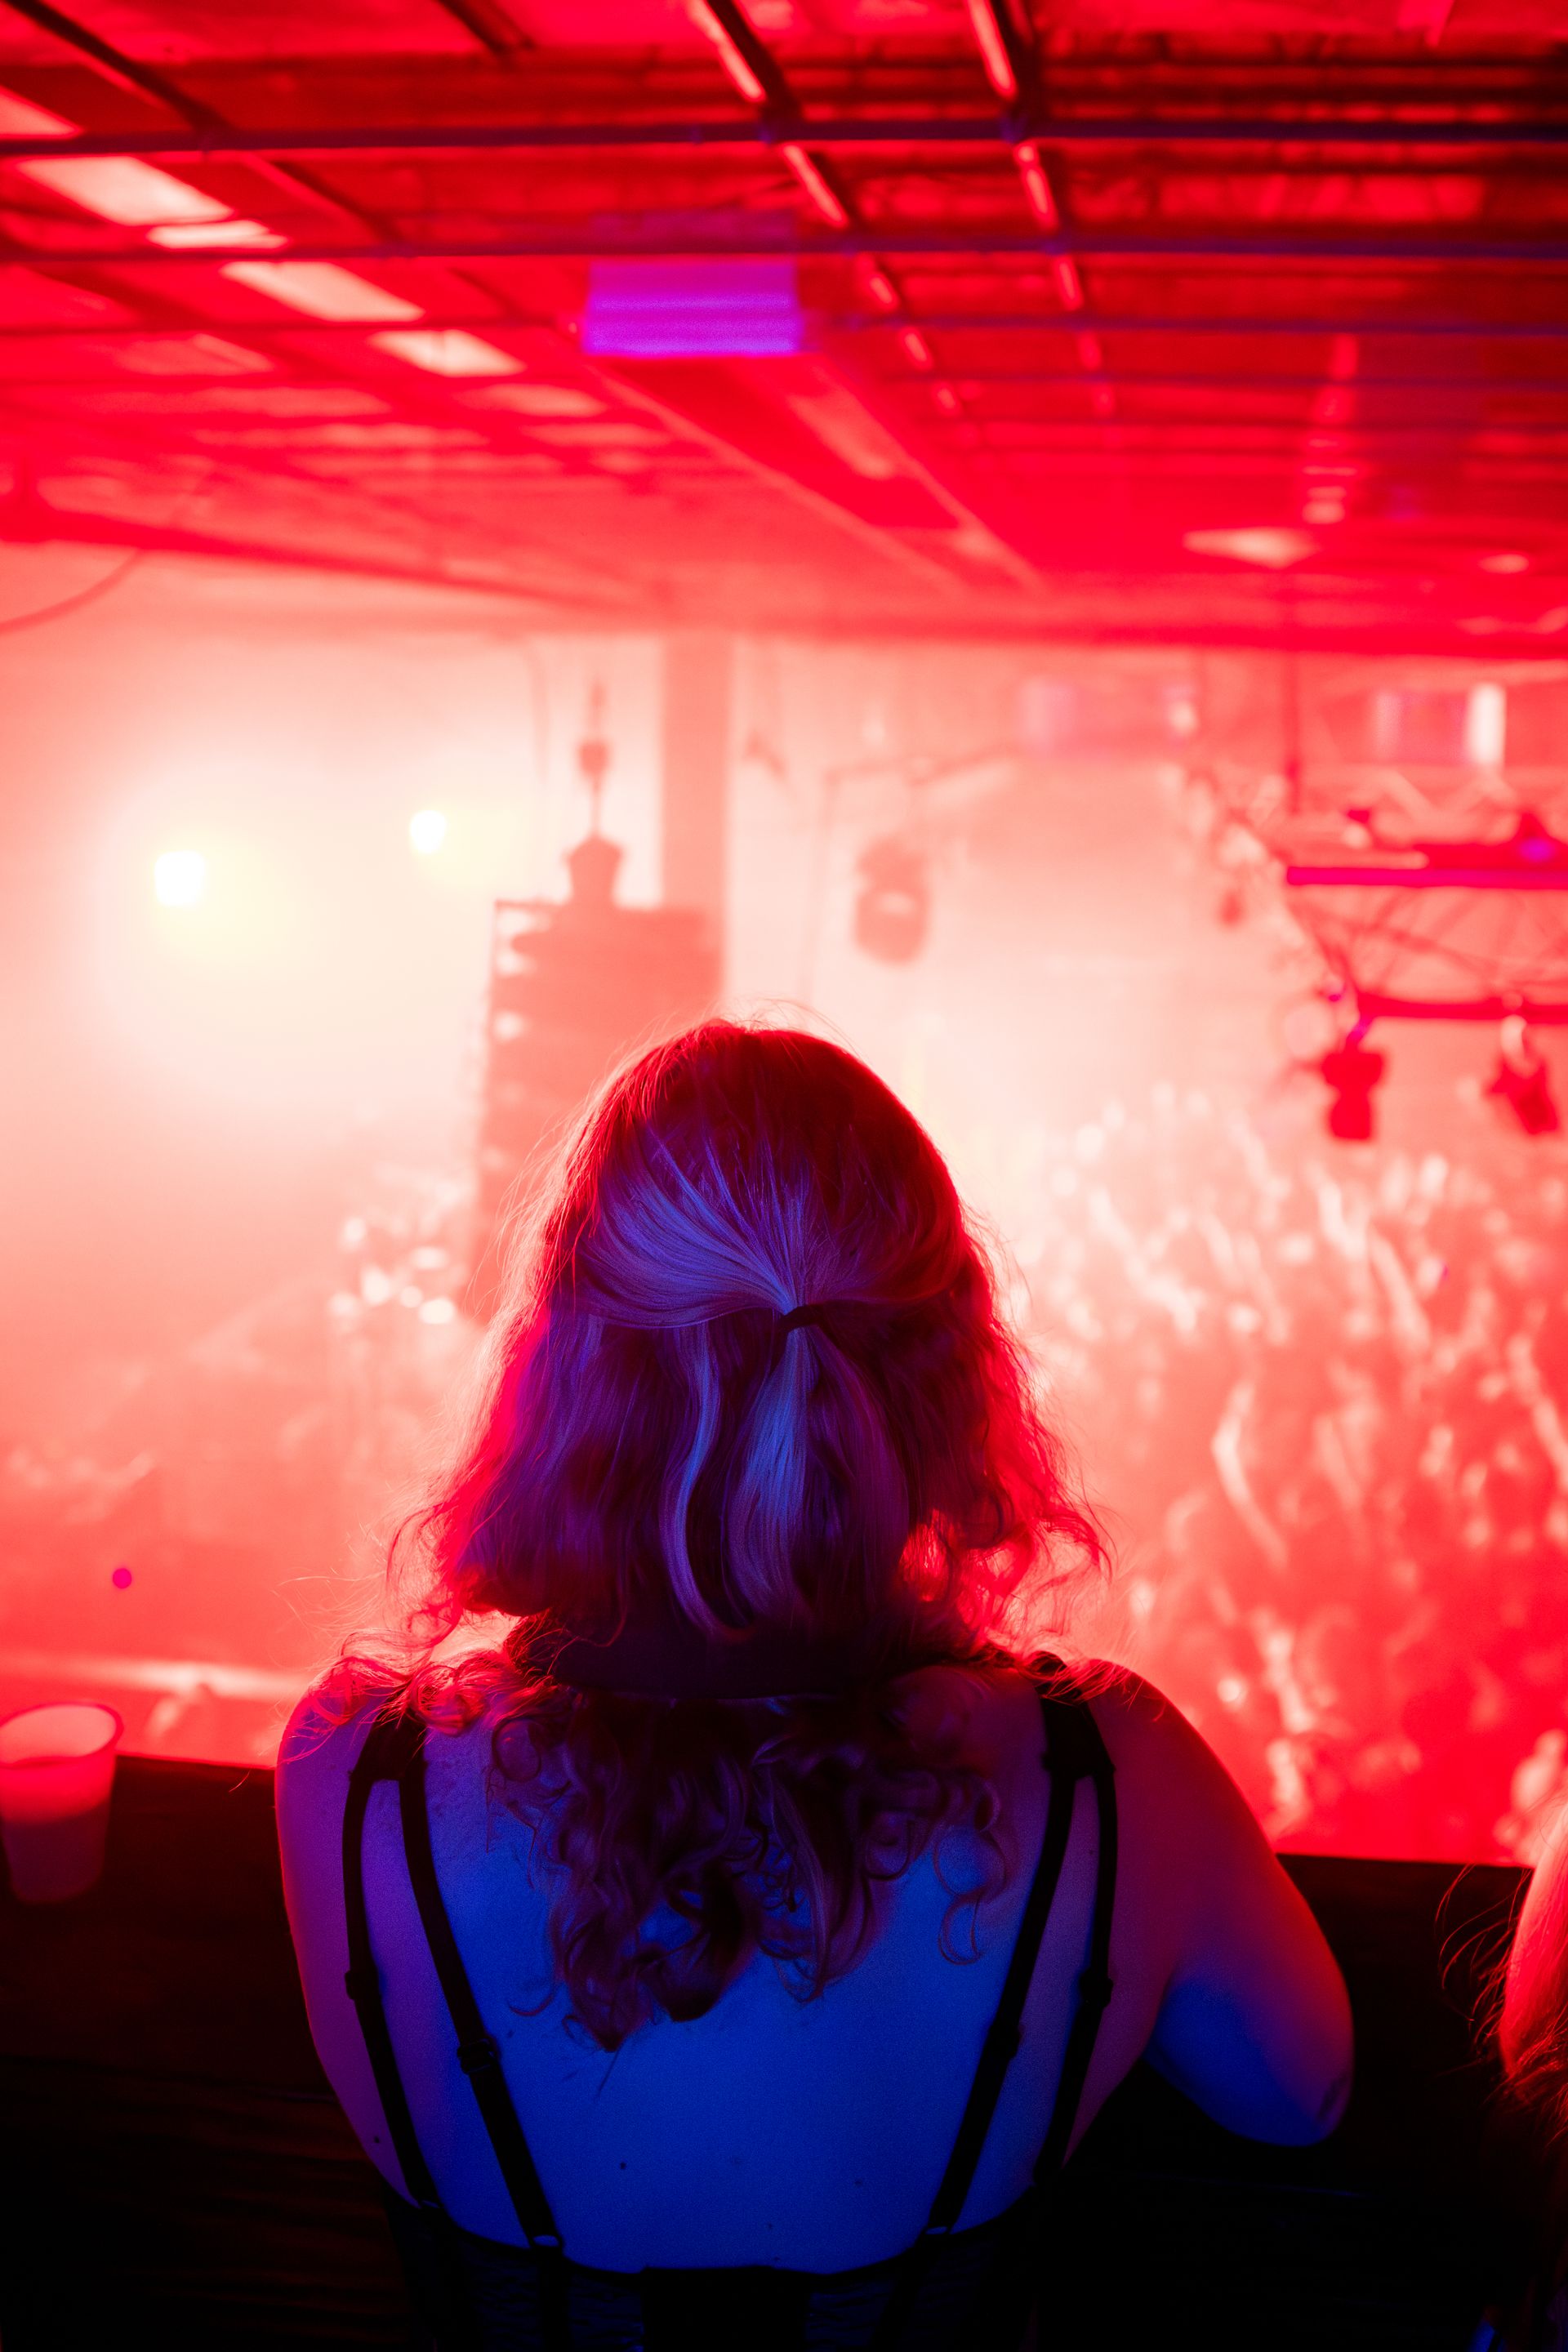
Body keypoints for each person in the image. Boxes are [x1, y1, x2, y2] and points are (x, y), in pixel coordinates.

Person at [278, 1023, 1352, 2350]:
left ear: (564, 1369)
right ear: (947, 1371)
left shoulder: (359, 1771)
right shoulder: (1107, 1777)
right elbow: (1297, 2095)